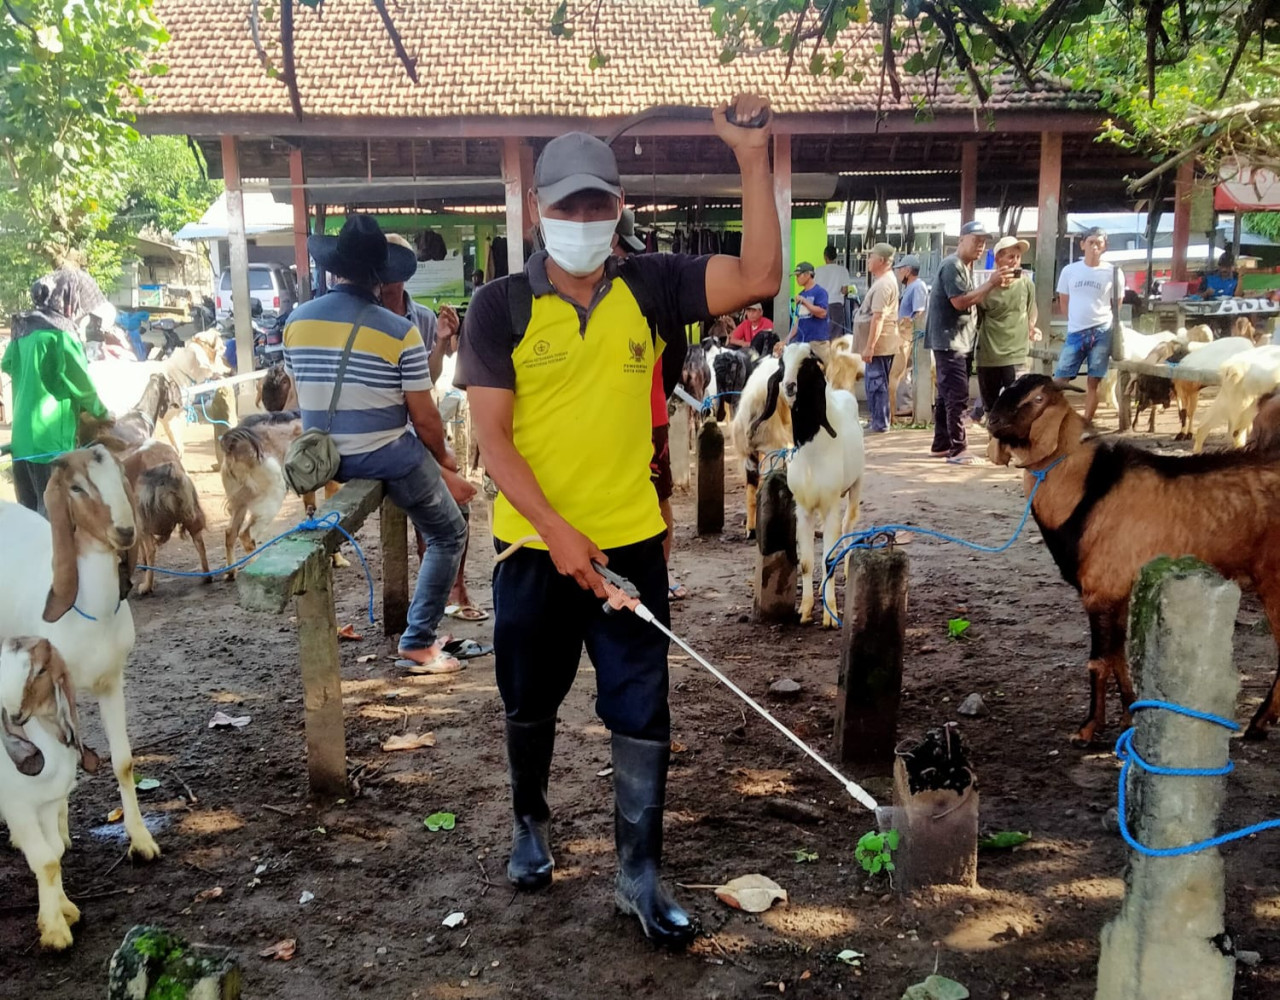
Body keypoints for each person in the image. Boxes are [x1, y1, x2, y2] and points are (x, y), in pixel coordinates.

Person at [456, 94, 780, 947]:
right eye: (569, 205)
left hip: (631, 545)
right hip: (533, 549)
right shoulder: (498, 308)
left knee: (642, 708)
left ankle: (639, 875)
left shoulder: (652, 285)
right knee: (529, 697)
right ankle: (531, 823)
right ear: (539, 211)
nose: (584, 219)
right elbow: (492, 442)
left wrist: (752, 157)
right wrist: (558, 534)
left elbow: (758, 278)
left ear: (618, 209)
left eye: (600, 204)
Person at [283, 214, 476, 674]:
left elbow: (300, 392)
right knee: (452, 530)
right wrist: (446, 459)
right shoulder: (398, 330)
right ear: (382, 276)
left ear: (334, 270)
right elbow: (424, 417)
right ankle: (418, 639)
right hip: (387, 454)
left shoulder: (296, 321)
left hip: (325, 458)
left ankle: (420, 628)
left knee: (446, 497)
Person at [380, 235, 485, 624]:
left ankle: (452, 589)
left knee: (453, 498)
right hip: (390, 434)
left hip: (414, 428)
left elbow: (428, 377)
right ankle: (441, 596)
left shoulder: (421, 317)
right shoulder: (367, 312)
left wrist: (441, 344)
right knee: (448, 494)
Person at [612, 210, 685, 599]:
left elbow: (676, 348)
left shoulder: (647, 292)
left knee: (658, 496)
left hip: (650, 415)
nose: (626, 257)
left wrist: (659, 396)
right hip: (610, 419)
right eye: (623, 249)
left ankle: (660, 576)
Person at [2, 272, 110, 516]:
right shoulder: (61, 334)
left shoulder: (23, 330)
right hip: (51, 440)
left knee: (27, 513)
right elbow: (80, 381)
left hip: (22, 439)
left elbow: (7, 364)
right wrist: (102, 412)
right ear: (68, 298)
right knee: (52, 514)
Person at [925, 220, 1012, 464]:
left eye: (984, 242)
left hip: (954, 340)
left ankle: (941, 444)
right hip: (950, 340)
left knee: (945, 395)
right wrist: (991, 283)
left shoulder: (963, 266)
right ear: (961, 239)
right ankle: (958, 448)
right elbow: (960, 302)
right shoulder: (953, 265)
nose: (981, 246)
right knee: (957, 394)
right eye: (976, 240)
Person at [1054, 226, 1115, 423]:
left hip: (1102, 331)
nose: (1094, 246)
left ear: (1105, 247)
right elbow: (1063, 301)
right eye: (1091, 242)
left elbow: (1117, 303)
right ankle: (1057, 418)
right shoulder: (1070, 271)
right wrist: (1074, 320)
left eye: (1099, 243)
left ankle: (1087, 422)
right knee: (1060, 379)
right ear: (1082, 245)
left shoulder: (1113, 272)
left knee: (1093, 381)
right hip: (1076, 331)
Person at [976, 236, 1040, 417]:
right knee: (991, 407)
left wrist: (1032, 326)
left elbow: (1031, 308)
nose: (1015, 261)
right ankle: (994, 442)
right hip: (989, 355)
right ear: (998, 259)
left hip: (1017, 354)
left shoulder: (1026, 283)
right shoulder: (985, 288)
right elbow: (977, 319)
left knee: (1019, 404)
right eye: (1010, 256)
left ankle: (1016, 444)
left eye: (1018, 257)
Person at [852, 242, 899, 433]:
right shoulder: (883, 281)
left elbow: (878, 317)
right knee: (875, 382)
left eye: (871, 257)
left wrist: (870, 346)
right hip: (879, 343)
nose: (868, 261)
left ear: (881, 260)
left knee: (876, 383)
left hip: (880, 344)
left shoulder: (884, 285)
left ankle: (880, 423)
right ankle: (877, 420)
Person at [892, 254, 928, 421]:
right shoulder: (910, 288)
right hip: (904, 335)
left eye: (900, 270)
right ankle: (905, 404)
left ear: (907, 270)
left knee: (904, 370)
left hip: (909, 336)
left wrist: (907, 323)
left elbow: (919, 312)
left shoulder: (917, 287)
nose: (898, 273)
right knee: (903, 371)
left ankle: (907, 405)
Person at [788, 261, 830, 358]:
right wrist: (786, 340)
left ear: (808, 275)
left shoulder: (820, 292)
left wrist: (805, 302)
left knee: (827, 369)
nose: (797, 279)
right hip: (802, 342)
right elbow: (798, 322)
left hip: (818, 342)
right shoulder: (801, 294)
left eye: (798, 275)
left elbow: (822, 313)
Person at [814, 245, 852, 339]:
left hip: (821, 306)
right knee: (836, 335)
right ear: (835, 256)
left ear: (825, 257)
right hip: (836, 306)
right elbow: (844, 291)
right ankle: (834, 352)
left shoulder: (818, 271)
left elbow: (814, 289)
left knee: (821, 333)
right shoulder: (843, 271)